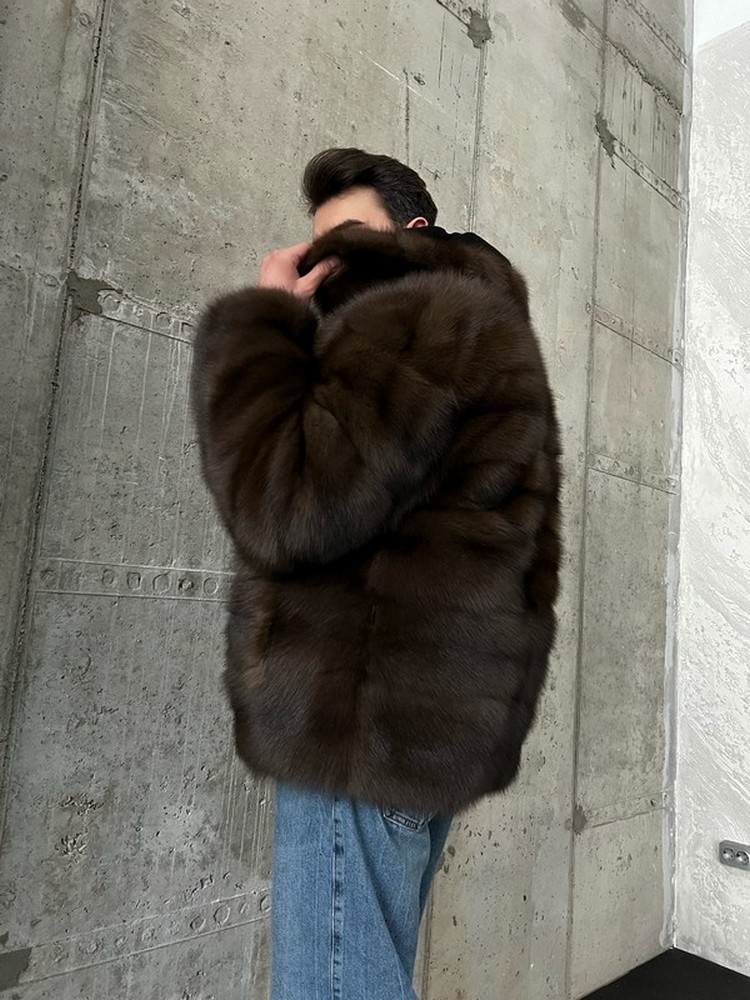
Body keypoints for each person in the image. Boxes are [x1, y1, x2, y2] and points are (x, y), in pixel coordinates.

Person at [190, 148, 562, 999]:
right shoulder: (484, 324)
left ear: (414, 231)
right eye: (319, 250)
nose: (329, 269)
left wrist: (263, 325)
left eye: (349, 241)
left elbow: (282, 512)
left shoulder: (410, 323)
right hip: (428, 720)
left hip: (356, 717)